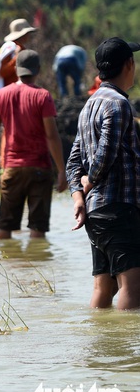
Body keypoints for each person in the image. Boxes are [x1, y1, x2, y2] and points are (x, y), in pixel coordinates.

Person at [66, 37, 140, 310]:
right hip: (118, 208)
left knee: (103, 287)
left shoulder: (89, 106)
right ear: (129, 64)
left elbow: (74, 160)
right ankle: (125, 351)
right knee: (133, 286)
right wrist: (87, 185)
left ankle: (99, 346)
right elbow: (104, 157)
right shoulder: (119, 104)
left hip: (95, 212)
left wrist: (78, 197)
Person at [0, 49, 68, 239]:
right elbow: (52, 135)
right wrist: (62, 169)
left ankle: (6, 266)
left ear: (16, 68)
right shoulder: (43, 96)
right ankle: (36, 267)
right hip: (39, 167)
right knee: (38, 229)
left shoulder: (1, 95)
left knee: (4, 227)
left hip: (12, 167)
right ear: (38, 69)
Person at [0, 18, 37, 100]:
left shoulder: (20, 48)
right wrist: (16, 58)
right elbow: (3, 72)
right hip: (9, 93)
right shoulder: (11, 48)